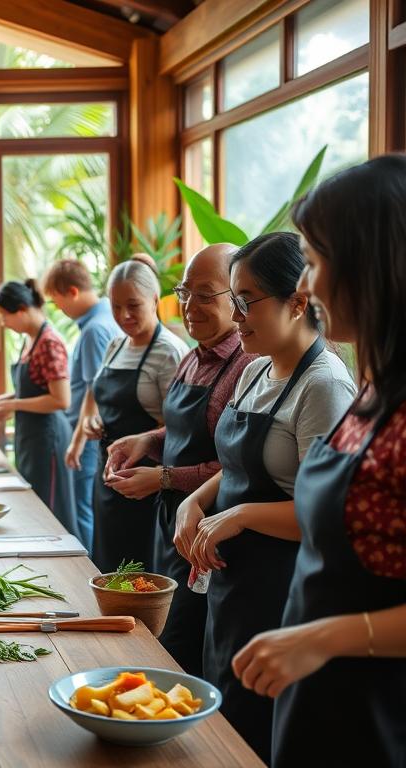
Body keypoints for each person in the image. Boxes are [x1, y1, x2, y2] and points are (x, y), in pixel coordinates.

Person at [232, 156, 406, 768]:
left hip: (381, 717)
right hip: (316, 694)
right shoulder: (373, 389)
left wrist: (326, 636)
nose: (304, 288)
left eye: (314, 261)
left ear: (374, 264)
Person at [175, 232, 355, 762]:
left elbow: (328, 514)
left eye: (246, 301)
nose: (236, 315)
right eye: (233, 299)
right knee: (222, 720)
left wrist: (242, 514)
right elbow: (234, 465)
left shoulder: (325, 386)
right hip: (231, 583)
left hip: (281, 589)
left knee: (257, 733)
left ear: (298, 302)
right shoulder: (254, 368)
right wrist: (196, 502)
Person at [101, 244, 254, 676]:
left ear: (239, 296)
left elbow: (236, 461)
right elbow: (181, 428)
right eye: (185, 292)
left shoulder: (248, 363)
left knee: (180, 648)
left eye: (206, 294)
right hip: (170, 521)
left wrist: (164, 477)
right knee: (163, 635)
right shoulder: (193, 355)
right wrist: (145, 439)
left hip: (210, 531)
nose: (190, 305)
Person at [68, 259, 188, 573]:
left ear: (154, 300)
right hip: (106, 472)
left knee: (138, 569)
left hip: (144, 479)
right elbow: (95, 391)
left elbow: (179, 424)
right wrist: (90, 422)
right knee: (105, 563)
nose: (124, 316)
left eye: (133, 305)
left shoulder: (170, 351)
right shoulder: (115, 345)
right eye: (116, 306)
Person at [0, 279, 75, 534]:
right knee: (33, 505)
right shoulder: (30, 340)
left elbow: (61, 399)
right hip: (31, 437)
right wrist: (3, 401)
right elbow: (35, 388)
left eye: (5, 316)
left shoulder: (48, 342)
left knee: (49, 510)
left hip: (48, 438)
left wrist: (12, 403)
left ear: (22, 309)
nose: (3, 324)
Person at [45, 259, 119, 548]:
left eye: (58, 301)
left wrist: (77, 440)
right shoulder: (102, 321)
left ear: (72, 292)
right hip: (87, 430)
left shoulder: (94, 329)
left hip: (86, 431)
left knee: (83, 508)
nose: (59, 309)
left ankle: (85, 575)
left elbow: (94, 389)